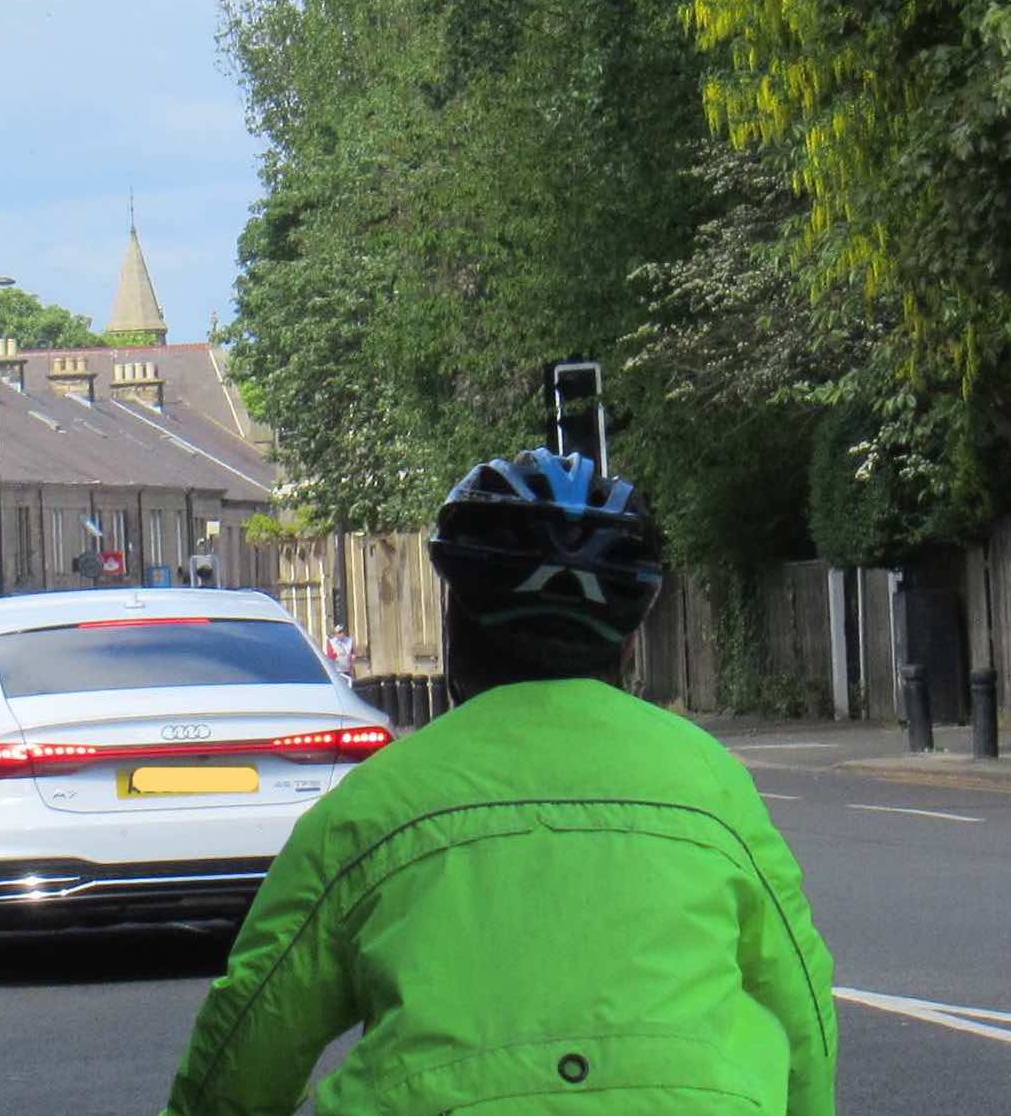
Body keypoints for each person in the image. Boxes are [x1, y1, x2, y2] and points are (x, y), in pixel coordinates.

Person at [160, 449, 836, 1115]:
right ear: (628, 643)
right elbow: (797, 1003)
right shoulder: (707, 778)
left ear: (454, 621)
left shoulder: (376, 802)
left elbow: (253, 1031)